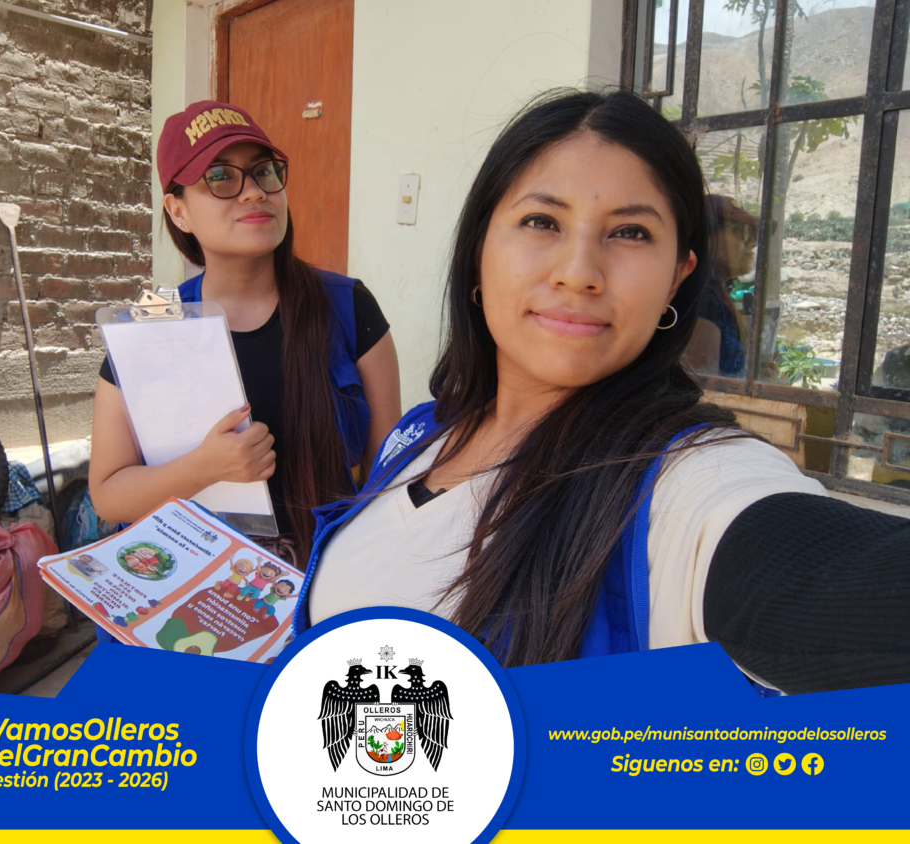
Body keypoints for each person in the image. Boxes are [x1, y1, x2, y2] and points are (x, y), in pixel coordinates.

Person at [292, 90, 910, 695]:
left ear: (677, 277)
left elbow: (810, 572)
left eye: (631, 232)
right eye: (542, 222)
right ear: (479, 249)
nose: (578, 273)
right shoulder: (422, 433)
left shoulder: (683, 483)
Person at [89, 101, 402, 570]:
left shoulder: (349, 308)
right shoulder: (150, 328)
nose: (254, 192)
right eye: (220, 177)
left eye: (263, 172)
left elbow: (387, 475)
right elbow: (108, 493)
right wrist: (203, 468)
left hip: (323, 578)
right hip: (195, 580)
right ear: (178, 211)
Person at [683, 194, 755, 377]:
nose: (752, 243)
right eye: (740, 231)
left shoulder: (716, 293)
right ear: (707, 237)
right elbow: (702, 384)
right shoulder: (702, 299)